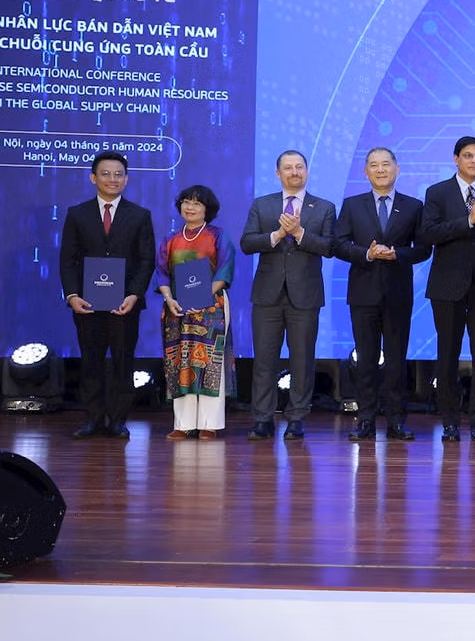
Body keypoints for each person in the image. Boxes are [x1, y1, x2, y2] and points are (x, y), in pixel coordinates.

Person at [59, 150, 156, 439]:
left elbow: (146, 260)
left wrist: (134, 295)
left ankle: (118, 420)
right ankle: (92, 419)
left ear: (126, 179)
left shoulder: (140, 215)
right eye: (105, 173)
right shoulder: (77, 214)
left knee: (123, 362)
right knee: (91, 361)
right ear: (93, 178)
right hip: (87, 303)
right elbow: (67, 260)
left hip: (125, 304)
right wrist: (72, 295)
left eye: (118, 174)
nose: (112, 179)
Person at [240, 149, 336, 441]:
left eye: (299, 167)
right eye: (288, 168)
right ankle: (263, 419)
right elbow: (247, 243)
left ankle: (296, 419)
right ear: (277, 173)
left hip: (305, 296)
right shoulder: (262, 205)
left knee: (302, 361)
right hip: (267, 296)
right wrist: (278, 235)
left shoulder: (324, 207)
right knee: (264, 360)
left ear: (307, 171)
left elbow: (329, 247)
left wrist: (300, 233)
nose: (294, 172)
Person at [334, 147, 428, 440]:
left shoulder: (413, 206)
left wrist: (397, 254)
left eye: (386, 164)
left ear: (397, 169)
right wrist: (367, 254)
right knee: (366, 359)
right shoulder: (352, 205)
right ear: (366, 172)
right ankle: (365, 419)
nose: (380, 170)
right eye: (374, 165)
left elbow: (424, 249)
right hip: (363, 293)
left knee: (397, 359)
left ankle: (396, 420)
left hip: (398, 293)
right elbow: (338, 244)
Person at [421, 135, 475, 441]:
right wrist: (468, 221)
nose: (474, 161)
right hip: (448, 284)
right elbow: (429, 233)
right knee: (447, 353)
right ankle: (449, 421)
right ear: (456, 159)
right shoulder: (437, 193)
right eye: (468, 156)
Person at [156, 184, 235, 439]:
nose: (190, 207)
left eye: (197, 203)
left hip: (212, 306)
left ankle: (209, 423)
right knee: (179, 361)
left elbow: (224, 270)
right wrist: (169, 298)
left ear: (207, 209)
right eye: (186, 202)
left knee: (211, 362)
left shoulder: (218, 236)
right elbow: (161, 273)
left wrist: (203, 297)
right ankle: (183, 423)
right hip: (177, 308)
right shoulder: (170, 239)